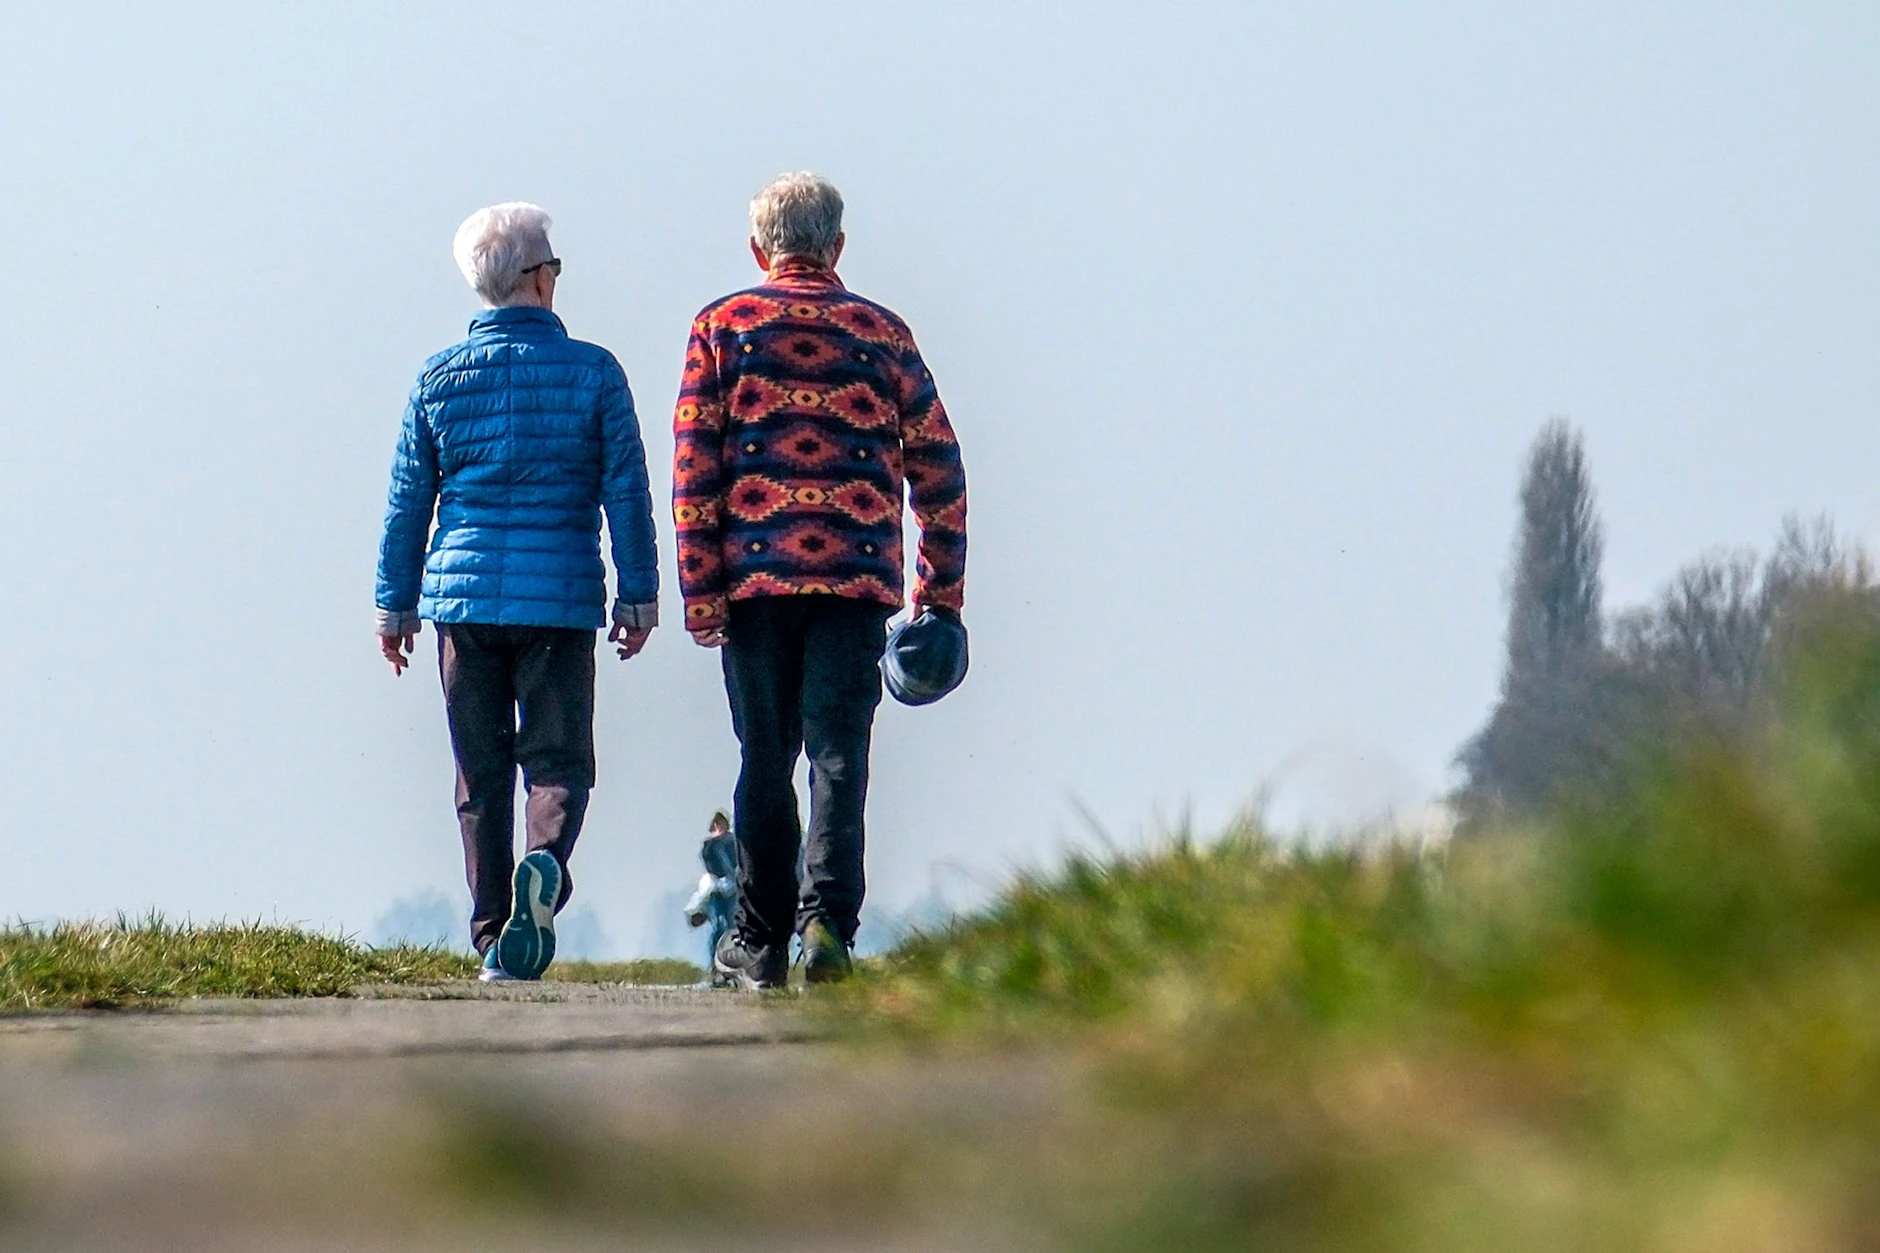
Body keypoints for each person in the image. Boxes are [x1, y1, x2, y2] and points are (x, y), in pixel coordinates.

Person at [672, 172, 968, 988]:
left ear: (758, 249)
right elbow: (941, 470)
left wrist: (701, 589)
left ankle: (759, 937)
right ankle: (828, 925)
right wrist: (939, 597)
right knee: (840, 754)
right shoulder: (884, 334)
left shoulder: (720, 327)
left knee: (764, 755)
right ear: (837, 246)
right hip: (855, 580)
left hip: (754, 583)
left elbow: (694, 469)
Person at [376, 202, 659, 983]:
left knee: (480, 775)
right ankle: (546, 866)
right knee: (560, 762)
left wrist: (393, 605)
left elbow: (409, 500)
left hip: (461, 606)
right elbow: (626, 492)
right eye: (556, 268)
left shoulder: (438, 377)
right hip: (558, 601)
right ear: (537, 279)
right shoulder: (596, 372)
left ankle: (493, 931)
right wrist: (638, 595)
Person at [682, 810, 738, 969]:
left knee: (730, 927)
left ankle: (727, 963)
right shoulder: (711, 846)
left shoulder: (730, 843)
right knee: (720, 926)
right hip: (717, 892)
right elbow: (713, 865)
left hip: (730, 890)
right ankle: (715, 964)